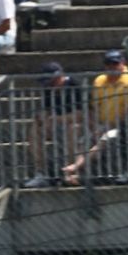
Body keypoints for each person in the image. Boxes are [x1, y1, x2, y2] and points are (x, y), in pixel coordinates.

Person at [62, 49, 128, 186]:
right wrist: (94, 125)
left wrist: (112, 125)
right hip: (102, 124)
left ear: (123, 63)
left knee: (105, 138)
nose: (111, 67)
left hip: (127, 124)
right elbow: (94, 107)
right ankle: (76, 175)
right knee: (82, 136)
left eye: (115, 64)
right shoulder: (100, 80)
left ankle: (76, 168)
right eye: (108, 64)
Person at [24, 61, 83, 189]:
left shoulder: (74, 85)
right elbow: (45, 110)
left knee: (73, 129)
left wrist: (58, 119)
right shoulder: (48, 89)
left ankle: (71, 172)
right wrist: (44, 120)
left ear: (59, 76)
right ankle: (41, 173)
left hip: (78, 125)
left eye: (52, 81)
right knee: (34, 129)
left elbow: (82, 114)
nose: (49, 85)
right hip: (56, 124)